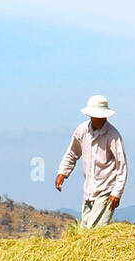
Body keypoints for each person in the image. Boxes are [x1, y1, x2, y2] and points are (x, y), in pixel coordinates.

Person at [55, 94, 128, 228]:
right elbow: (72, 153)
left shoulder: (113, 135)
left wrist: (117, 192)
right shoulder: (82, 131)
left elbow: (121, 165)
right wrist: (62, 173)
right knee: (84, 228)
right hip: (89, 189)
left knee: (93, 229)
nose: (99, 119)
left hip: (106, 189)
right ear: (90, 115)